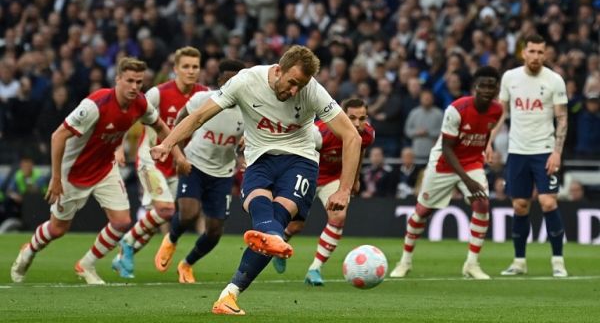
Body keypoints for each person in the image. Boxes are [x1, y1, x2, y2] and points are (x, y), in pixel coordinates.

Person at [150, 45, 361, 315]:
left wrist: (343, 190)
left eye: (302, 85)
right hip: (260, 159)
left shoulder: (313, 91)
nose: (295, 91)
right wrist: (168, 144)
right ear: (278, 69)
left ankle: (230, 294)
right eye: (292, 82)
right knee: (263, 218)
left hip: (300, 159)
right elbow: (200, 116)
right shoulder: (246, 81)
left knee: (279, 216)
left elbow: (351, 136)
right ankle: (253, 260)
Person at [10, 58, 186, 285]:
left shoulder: (140, 103)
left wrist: (178, 155)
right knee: (58, 228)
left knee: (122, 222)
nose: (134, 87)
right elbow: (58, 136)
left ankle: (86, 264)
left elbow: (161, 126)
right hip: (73, 172)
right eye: (130, 81)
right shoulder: (95, 104)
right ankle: (29, 250)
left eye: (139, 82)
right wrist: (56, 178)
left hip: (105, 168)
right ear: (118, 80)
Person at [389, 66, 502, 280]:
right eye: (483, 85)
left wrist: (485, 150)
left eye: (492, 86)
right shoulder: (456, 109)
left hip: (472, 163)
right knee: (423, 211)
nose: (487, 90)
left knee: (482, 204)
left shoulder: (496, 110)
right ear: (474, 87)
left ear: (497, 88)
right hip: (443, 163)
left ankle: (472, 264)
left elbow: (482, 134)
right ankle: (404, 261)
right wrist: (466, 180)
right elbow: (448, 148)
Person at [112, 47, 206, 279]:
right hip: (150, 160)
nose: (191, 71)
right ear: (175, 69)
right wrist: (118, 146)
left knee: (160, 217)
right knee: (166, 210)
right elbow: (130, 115)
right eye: (186, 66)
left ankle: (123, 254)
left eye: (195, 66)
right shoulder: (158, 93)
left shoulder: (203, 96)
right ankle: (126, 243)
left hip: (177, 165)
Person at [153, 59, 245, 283]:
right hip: (195, 164)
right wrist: (180, 155)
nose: (236, 84)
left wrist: (245, 148)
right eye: (231, 79)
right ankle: (171, 239)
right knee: (188, 213)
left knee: (214, 231)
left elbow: (254, 134)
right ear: (221, 80)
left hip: (223, 173)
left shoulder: (248, 109)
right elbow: (180, 121)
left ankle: (187, 264)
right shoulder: (203, 100)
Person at [488, 34, 569, 278]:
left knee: (548, 202)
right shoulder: (510, 78)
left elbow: (562, 117)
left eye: (540, 52)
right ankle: (519, 261)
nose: (535, 56)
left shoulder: (554, 80)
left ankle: (557, 261)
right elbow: (501, 112)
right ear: (523, 52)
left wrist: (557, 151)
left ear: (546, 54)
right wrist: (488, 140)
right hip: (517, 151)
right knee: (520, 205)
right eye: (531, 51)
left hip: (544, 151)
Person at [271, 98, 375, 285]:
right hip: (308, 177)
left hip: (334, 180)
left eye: (362, 118)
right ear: (342, 115)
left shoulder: (367, 134)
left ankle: (315, 269)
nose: (358, 124)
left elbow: (360, 151)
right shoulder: (320, 133)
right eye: (352, 118)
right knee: (296, 227)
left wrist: (355, 178)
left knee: (338, 217)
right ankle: (282, 244)